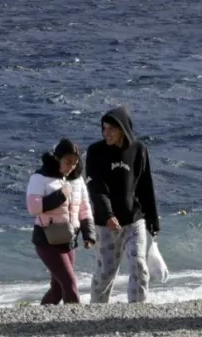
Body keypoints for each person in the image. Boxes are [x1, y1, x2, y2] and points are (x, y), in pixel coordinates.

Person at [85, 105, 160, 303]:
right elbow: (97, 188)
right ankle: (96, 310)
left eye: (111, 128)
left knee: (138, 265)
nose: (106, 133)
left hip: (134, 220)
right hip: (106, 223)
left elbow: (145, 186)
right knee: (105, 273)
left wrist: (153, 220)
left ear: (123, 128)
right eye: (104, 128)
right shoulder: (95, 152)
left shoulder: (138, 149)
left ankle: (137, 309)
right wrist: (108, 215)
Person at [25, 138, 95, 304]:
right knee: (70, 284)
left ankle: (39, 316)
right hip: (47, 240)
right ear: (57, 158)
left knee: (58, 289)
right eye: (68, 162)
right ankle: (76, 318)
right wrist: (61, 195)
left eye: (75, 163)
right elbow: (33, 208)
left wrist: (88, 234)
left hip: (69, 239)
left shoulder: (77, 180)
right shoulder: (40, 177)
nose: (71, 167)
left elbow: (84, 209)